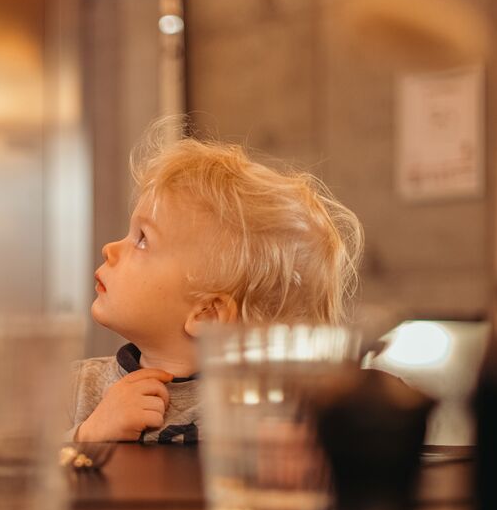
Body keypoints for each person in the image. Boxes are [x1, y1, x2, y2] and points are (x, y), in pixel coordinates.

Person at [70, 128, 363, 444]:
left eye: (142, 240)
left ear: (208, 313)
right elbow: (27, 479)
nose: (110, 248)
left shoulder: (264, 409)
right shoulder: (78, 388)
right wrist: (87, 434)